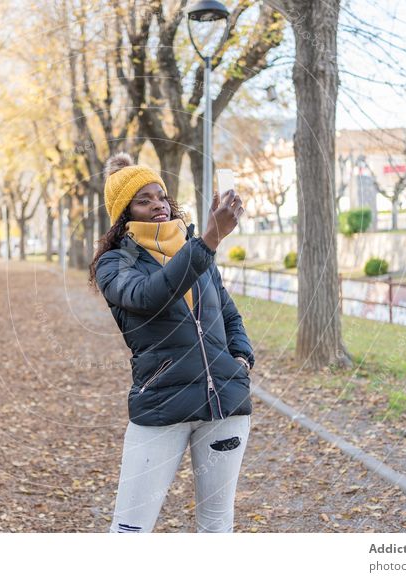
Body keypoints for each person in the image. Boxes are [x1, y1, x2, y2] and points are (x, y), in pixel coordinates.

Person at [88, 152, 254, 533]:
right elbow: (150, 295)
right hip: (161, 407)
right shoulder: (115, 264)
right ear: (123, 213)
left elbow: (227, 312)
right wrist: (209, 240)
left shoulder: (193, 248)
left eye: (160, 196)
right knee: (131, 530)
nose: (157, 205)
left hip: (224, 405)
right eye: (143, 200)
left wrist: (242, 359)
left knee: (217, 528)